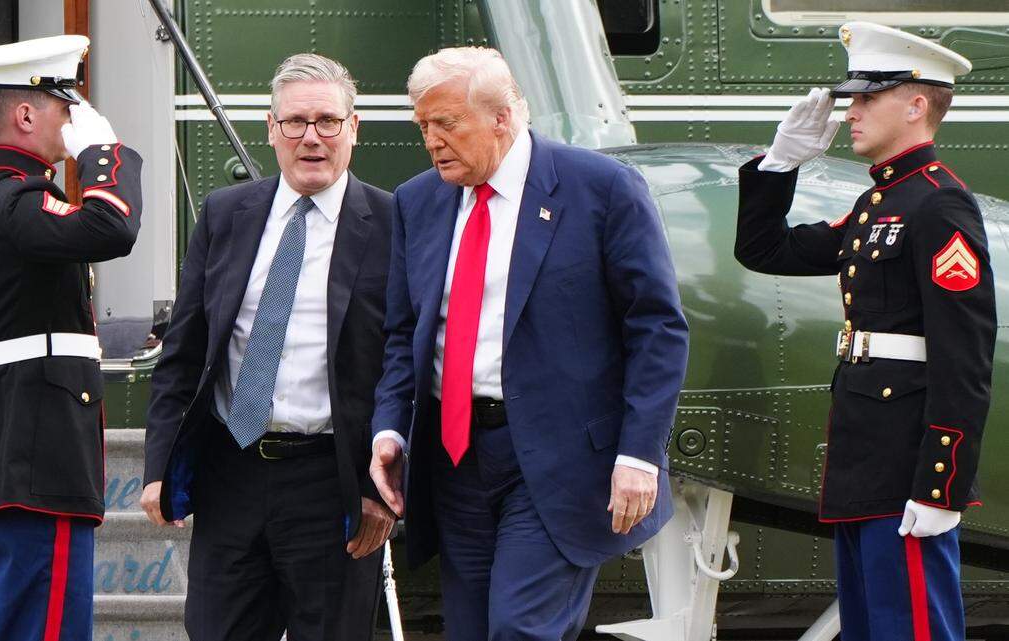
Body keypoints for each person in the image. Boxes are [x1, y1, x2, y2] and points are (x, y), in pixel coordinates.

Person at [368, 47, 689, 641]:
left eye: (447, 124)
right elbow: (404, 335)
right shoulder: (418, 201)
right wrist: (390, 428)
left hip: (559, 462)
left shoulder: (602, 189)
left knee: (520, 630)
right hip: (454, 457)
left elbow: (657, 328)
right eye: (424, 126)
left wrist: (641, 454)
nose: (432, 141)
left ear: (502, 116)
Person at [734, 22, 994, 641]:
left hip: (907, 464)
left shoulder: (939, 205)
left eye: (867, 97)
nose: (851, 111)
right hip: (865, 455)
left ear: (916, 103)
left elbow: (964, 356)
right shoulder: (881, 205)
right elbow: (764, 248)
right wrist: (781, 163)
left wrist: (942, 484)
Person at [141, 53, 395, 641]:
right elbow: (184, 352)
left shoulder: (391, 224)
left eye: (328, 121)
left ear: (353, 128)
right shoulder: (226, 214)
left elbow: (402, 368)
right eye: (295, 122)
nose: (312, 137)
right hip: (231, 476)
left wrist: (381, 488)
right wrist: (159, 466)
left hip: (332, 483)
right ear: (270, 128)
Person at [0, 35, 141, 641]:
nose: (73, 122)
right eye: (66, 108)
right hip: (36, 470)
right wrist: (104, 153)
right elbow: (111, 227)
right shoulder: (20, 201)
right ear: (25, 114)